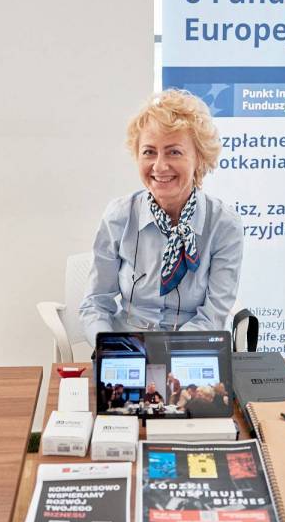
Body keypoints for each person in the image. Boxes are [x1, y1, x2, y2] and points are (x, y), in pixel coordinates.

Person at [78, 89, 244, 345]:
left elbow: (212, 316)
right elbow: (95, 304)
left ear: (199, 157)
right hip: (126, 348)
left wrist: (165, 355)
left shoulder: (224, 225)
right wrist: (110, 348)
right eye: (149, 152)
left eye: (174, 152)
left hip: (190, 350)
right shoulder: (119, 216)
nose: (159, 166)